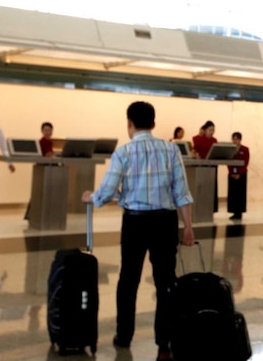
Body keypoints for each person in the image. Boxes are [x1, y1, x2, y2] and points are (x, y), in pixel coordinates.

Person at [82, 101, 194, 361]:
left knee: (128, 280)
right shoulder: (171, 150)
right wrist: (187, 227)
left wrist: (92, 198)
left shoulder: (123, 153)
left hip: (134, 222)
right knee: (166, 281)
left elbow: (108, 191)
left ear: (129, 124)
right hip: (165, 222)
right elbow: (181, 191)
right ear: (154, 124)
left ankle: (124, 335)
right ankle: (164, 340)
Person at [192, 121, 219, 212]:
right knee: (201, 189)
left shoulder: (214, 140)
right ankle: (200, 208)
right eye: (210, 130)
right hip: (201, 167)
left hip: (212, 167)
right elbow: (194, 151)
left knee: (212, 189)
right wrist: (196, 156)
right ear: (205, 130)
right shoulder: (199, 139)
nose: (212, 132)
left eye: (213, 130)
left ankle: (211, 209)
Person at [227, 132, 249, 221]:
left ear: (240, 139)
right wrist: (231, 172)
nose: (235, 140)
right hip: (232, 174)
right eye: (233, 139)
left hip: (241, 174)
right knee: (232, 194)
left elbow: (246, 162)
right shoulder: (229, 149)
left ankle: (239, 212)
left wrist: (239, 174)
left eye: (236, 139)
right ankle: (233, 211)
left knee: (240, 194)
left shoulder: (245, 149)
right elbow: (228, 160)